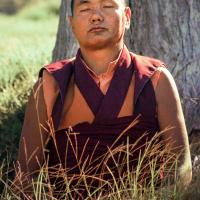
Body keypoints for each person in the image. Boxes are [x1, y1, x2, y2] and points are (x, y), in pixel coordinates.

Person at [14, 0, 192, 198]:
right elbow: (24, 177)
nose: (96, 16)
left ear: (127, 17)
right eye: (85, 8)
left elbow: (181, 168)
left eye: (107, 6)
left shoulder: (154, 79)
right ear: (71, 23)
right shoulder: (51, 86)